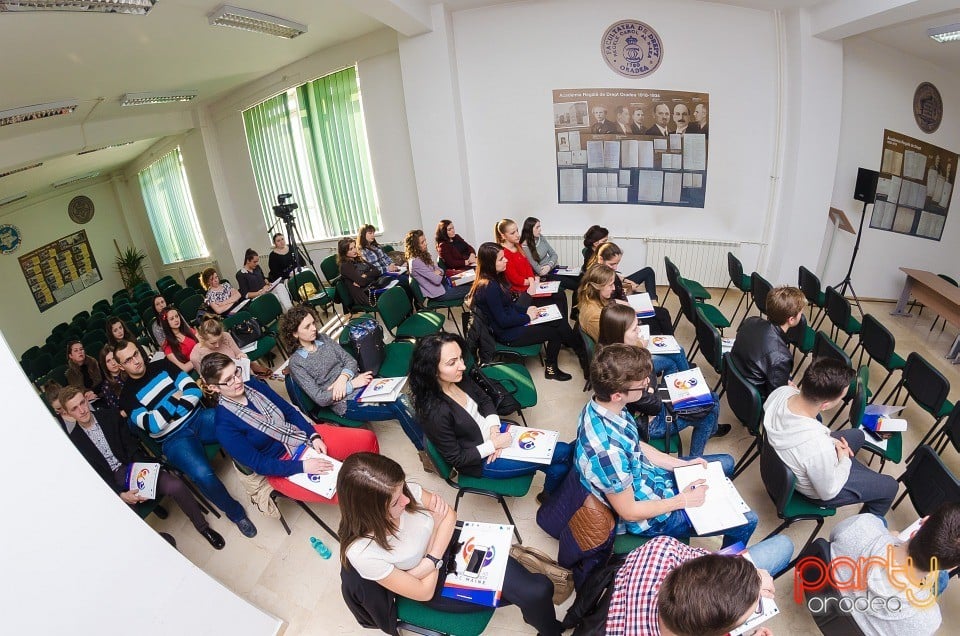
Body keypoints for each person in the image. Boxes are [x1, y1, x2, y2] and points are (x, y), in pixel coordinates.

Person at [339, 453, 562, 635]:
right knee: (535, 591)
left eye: (403, 490)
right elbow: (423, 591)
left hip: (450, 548)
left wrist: (427, 560)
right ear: (371, 511)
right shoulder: (362, 552)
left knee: (539, 590)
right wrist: (434, 547)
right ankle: (547, 628)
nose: (407, 500)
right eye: (396, 502)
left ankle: (545, 627)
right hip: (438, 586)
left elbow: (449, 516)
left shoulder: (403, 492)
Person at [576, 343, 757, 547]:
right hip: (651, 518)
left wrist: (679, 464)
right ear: (617, 394)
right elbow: (630, 512)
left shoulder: (608, 406)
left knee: (726, 462)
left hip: (652, 478)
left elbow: (637, 446)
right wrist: (684, 500)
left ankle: (717, 509)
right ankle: (725, 570)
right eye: (641, 384)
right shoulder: (607, 451)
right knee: (749, 520)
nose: (647, 384)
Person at [115, 338, 257, 537]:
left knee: (237, 423)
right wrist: (176, 397)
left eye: (136, 354)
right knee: (202, 474)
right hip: (173, 440)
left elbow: (194, 390)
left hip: (198, 417)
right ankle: (237, 514)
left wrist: (167, 412)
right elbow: (153, 425)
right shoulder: (127, 397)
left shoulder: (162, 365)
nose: (136, 361)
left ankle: (261, 469)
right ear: (121, 366)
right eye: (128, 360)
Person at [60, 386, 226, 550]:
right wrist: (121, 494)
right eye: (74, 408)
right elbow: (97, 475)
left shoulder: (109, 416)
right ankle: (156, 549)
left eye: (82, 403)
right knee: (125, 522)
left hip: (133, 467)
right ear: (67, 414)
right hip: (113, 482)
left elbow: (132, 448)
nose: (82, 410)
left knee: (176, 486)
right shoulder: (74, 442)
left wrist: (143, 483)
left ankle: (203, 528)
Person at [409, 333, 573, 498]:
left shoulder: (457, 378)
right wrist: (493, 445)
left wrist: (494, 430)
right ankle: (555, 496)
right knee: (563, 451)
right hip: (480, 459)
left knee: (559, 465)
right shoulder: (434, 412)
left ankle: (549, 497)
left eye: (460, 358)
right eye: (452, 362)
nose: (463, 366)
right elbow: (457, 459)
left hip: (496, 433)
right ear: (431, 370)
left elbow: (485, 400)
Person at [199, 353, 379, 488]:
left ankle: (380, 481)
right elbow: (259, 464)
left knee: (367, 439)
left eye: (236, 372)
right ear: (214, 387)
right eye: (228, 380)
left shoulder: (254, 385)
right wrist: (302, 466)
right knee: (342, 488)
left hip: (300, 435)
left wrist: (314, 435)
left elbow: (289, 412)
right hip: (281, 463)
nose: (238, 381)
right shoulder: (224, 425)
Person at [763, 357, 898, 516]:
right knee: (890, 486)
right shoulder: (818, 447)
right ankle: (864, 526)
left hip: (790, 456)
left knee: (857, 435)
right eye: (841, 398)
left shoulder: (782, 392)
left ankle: (859, 474)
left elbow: (809, 440)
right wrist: (844, 460)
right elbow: (828, 492)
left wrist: (831, 442)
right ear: (825, 405)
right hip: (817, 491)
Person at [280, 305, 426, 450]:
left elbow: (350, 361)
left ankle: (432, 439)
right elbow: (320, 398)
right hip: (344, 403)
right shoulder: (297, 363)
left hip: (359, 383)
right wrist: (351, 385)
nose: (314, 328)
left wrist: (342, 379)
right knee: (400, 403)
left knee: (404, 398)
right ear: (294, 333)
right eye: (307, 327)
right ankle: (427, 452)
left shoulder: (323, 339)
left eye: (313, 323)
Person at [598, 304, 729, 456]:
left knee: (673, 363)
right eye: (634, 329)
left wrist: (650, 385)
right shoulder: (625, 368)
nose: (640, 331)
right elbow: (654, 405)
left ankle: (708, 426)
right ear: (619, 333)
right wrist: (651, 385)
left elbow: (649, 385)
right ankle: (694, 460)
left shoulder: (609, 353)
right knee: (710, 405)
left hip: (645, 407)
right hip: (649, 423)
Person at [606, 534, 793, 636]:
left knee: (782, 545)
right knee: (784, 545)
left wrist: (753, 579)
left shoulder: (661, 549)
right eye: (757, 606)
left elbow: (707, 559)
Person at [827, 502, 960, 636]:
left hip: (825, 598)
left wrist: (890, 537)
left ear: (924, 521)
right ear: (954, 566)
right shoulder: (929, 622)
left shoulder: (862, 525)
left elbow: (832, 537)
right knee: (942, 580)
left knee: (880, 521)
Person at [468, 242, 587, 382]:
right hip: (507, 333)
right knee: (554, 333)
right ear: (489, 263)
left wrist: (526, 310)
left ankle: (579, 350)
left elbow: (509, 305)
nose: (506, 260)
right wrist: (527, 317)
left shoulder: (495, 279)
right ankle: (554, 367)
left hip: (513, 321)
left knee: (558, 320)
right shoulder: (489, 287)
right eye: (501, 259)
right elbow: (503, 321)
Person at [730, 285, 806, 400]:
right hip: (753, 400)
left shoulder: (750, 321)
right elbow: (775, 397)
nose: (801, 315)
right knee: (817, 417)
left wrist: (783, 380)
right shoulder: (782, 356)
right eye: (801, 312)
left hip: (734, 383)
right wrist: (787, 388)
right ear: (791, 320)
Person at [494, 218, 568, 317]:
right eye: (512, 233)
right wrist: (532, 282)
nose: (517, 234)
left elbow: (528, 267)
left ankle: (565, 328)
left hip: (531, 285)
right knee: (555, 302)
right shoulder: (503, 253)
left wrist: (532, 281)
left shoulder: (518, 246)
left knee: (560, 295)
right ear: (503, 236)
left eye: (517, 231)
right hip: (521, 292)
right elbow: (515, 279)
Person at [190, 316, 270, 377]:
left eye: (220, 339)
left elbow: (239, 354)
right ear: (201, 338)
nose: (217, 345)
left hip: (243, 375)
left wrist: (243, 356)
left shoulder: (226, 336)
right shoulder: (196, 356)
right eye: (213, 343)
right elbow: (206, 379)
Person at [405, 229, 470, 302]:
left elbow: (440, 270)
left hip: (445, 282)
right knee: (473, 288)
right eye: (422, 242)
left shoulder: (422, 255)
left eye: (425, 240)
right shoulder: (415, 262)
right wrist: (436, 273)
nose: (426, 243)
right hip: (440, 292)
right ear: (415, 246)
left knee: (470, 276)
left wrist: (437, 273)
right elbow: (436, 280)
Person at [521, 217, 579, 292]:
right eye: (537, 227)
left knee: (581, 279)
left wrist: (549, 266)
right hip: (546, 276)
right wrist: (551, 264)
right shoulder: (525, 246)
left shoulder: (540, 237)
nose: (540, 229)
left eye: (540, 226)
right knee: (576, 286)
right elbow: (540, 271)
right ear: (529, 229)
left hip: (552, 268)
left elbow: (554, 254)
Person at [337, 237, 387, 310]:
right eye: (350, 249)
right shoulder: (345, 265)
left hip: (371, 287)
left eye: (354, 247)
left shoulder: (358, 258)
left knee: (395, 289)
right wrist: (369, 275)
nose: (354, 250)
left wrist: (366, 275)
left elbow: (376, 270)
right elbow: (362, 282)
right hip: (364, 295)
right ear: (344, 252)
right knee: (390, 297)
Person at [160, 306, 198, 374]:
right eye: (172, 319)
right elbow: (184, 368)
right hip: (193, 372)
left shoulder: (189, 330)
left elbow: (203, 343)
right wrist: (199, 356)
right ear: (166, 323)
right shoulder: (167, 346)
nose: (176, 320)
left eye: (177, 316)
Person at [97, 344, 126, 413]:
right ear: (104, 365)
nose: (113, 363)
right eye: (108, 361)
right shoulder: (106, 386)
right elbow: (116, 412)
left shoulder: (128, 371)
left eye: (114, 358)